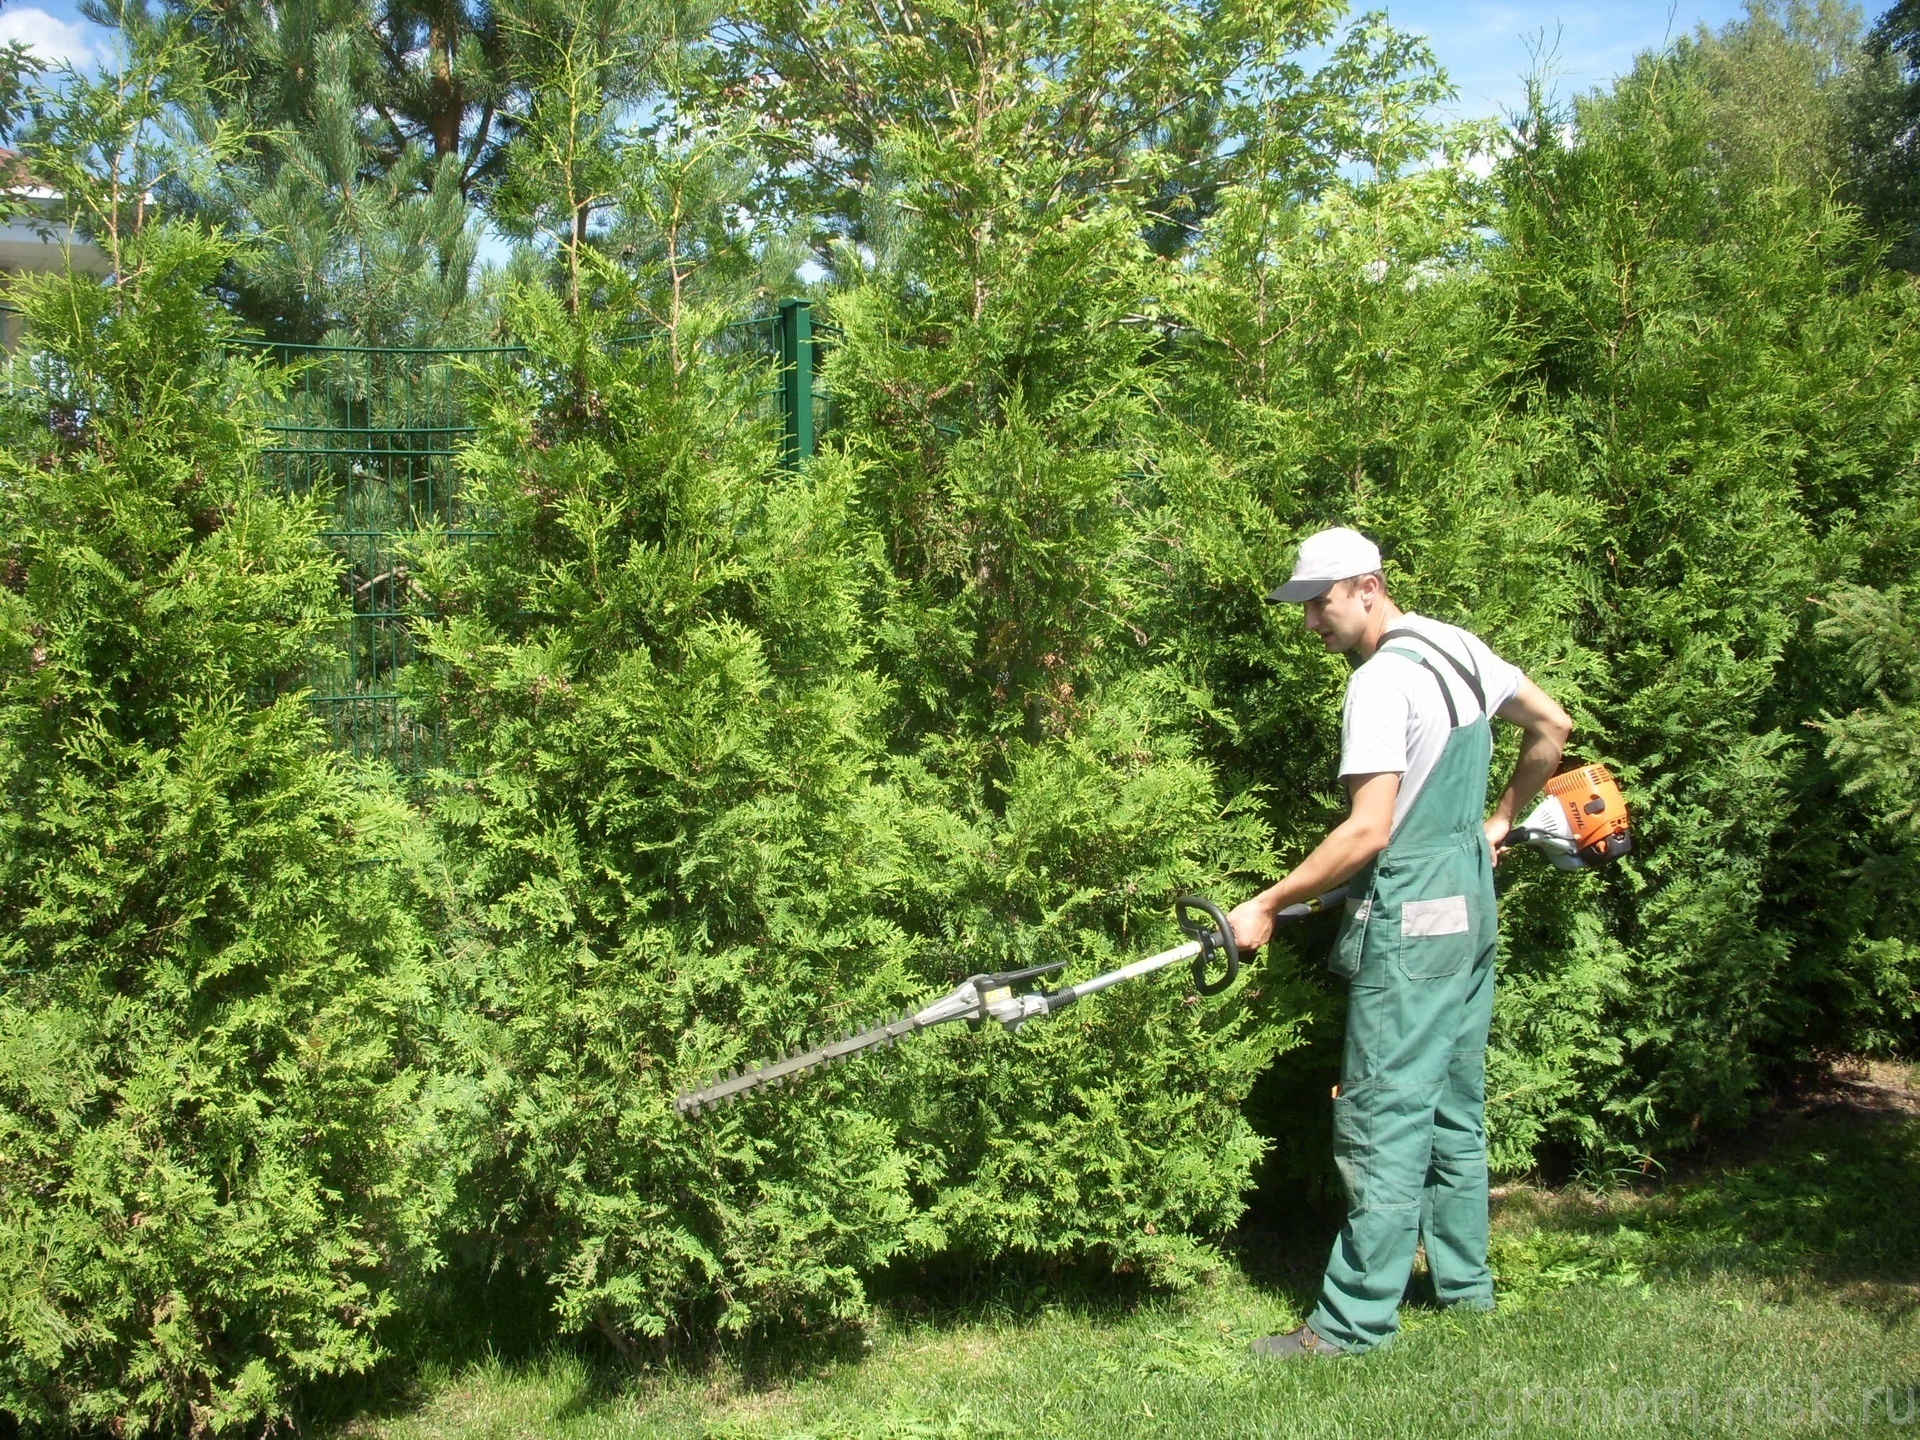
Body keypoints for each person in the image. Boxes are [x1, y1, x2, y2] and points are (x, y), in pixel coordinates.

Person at [1229, 526, 1571, 1359]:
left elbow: (1368, 831)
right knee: (1453, 1099)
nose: (1312, 622)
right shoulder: (1456, 646)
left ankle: (1352, 1324)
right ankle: (1465, 1287)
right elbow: (1553, 726)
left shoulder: (1379, 683)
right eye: (1305, 607)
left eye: (1322, 603)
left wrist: (1266, 904)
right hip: (1469, 900)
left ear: (1369, 587)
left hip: (1416, 916)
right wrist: (1496, 823)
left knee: (1383, 1110)